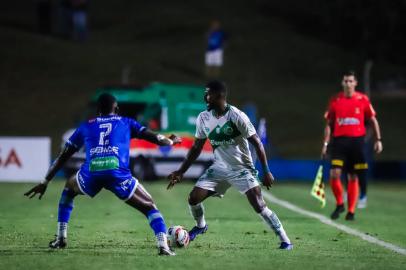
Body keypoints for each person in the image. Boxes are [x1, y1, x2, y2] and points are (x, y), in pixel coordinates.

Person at [24, 93, 181, 256]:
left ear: (98, 110)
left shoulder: (85, 126)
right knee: (149, 206)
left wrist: (45, 181)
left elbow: (63, 156)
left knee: (69, 188)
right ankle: (163, 245)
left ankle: (60, 238)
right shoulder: (126, 122)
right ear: (117, 109)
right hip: (117, 173)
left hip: (92, 172)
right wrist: (171, 141)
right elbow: (155, 137)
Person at [167, 80, 293, 250]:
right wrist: (181, 171)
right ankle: (201, 226)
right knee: (193, 198)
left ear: (219, 96)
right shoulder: (203, 117)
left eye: (208, 94)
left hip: (242, 169)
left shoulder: (236, 116)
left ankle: (285, 240)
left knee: (259, 205)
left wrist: (267, 171)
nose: (205, 97)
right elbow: (196, 147)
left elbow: (257, 143)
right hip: (219, 168)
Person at [321, 71, 383, 220]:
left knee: (353, 176)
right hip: (339, 142)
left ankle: (351, 211)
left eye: (350, 81)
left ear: (355, 83)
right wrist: (325, 143)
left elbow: (373, 120)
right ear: (342, 83)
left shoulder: (363, 99)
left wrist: (378, 140)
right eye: (346, 81)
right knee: (334, 173)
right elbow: (329, 124)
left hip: (357, 142)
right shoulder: (335, 100)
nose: (348, 83)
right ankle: (340, 203)